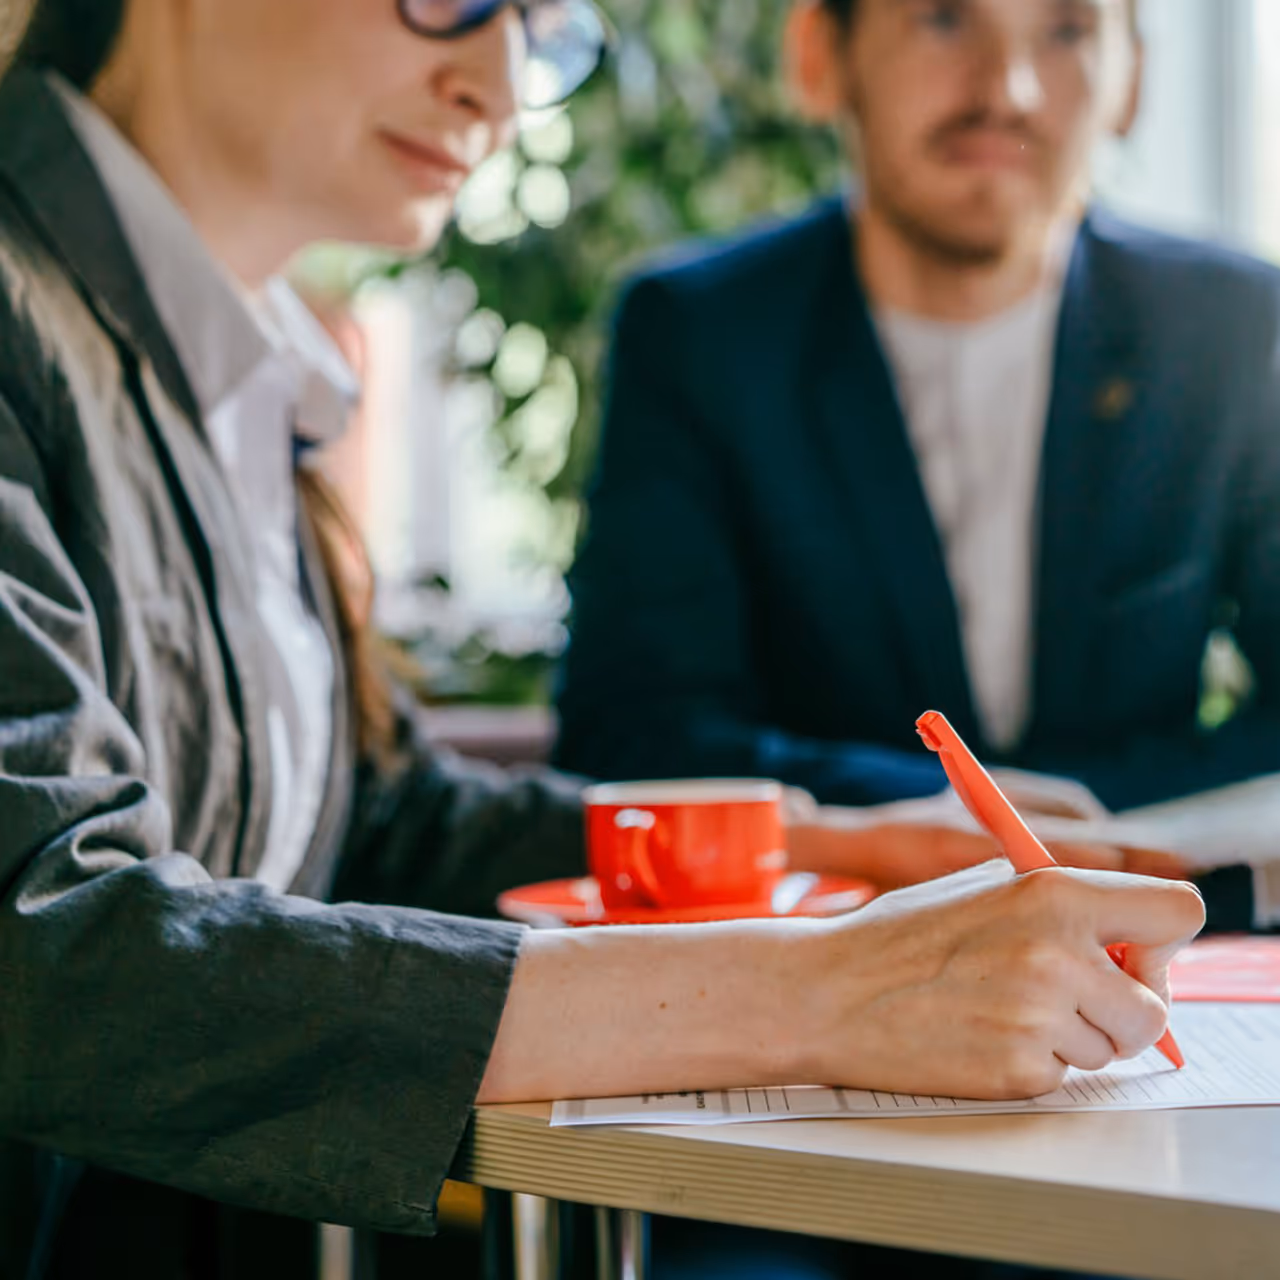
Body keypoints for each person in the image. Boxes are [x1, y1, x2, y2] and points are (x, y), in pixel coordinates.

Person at [0, 1, 1203, 1277]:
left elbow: (380, 824)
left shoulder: (228, 367)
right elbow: (46, 949)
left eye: (539, 23)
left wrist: (815, 840)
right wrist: (822, 989)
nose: (500, 89)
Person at [554, 0, 1280, 931]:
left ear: (1131, 76)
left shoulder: (1226, 326)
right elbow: (635, 730)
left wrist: (1080, 820)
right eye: (944, 20)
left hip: (1160, 943)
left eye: (1066, 32)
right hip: (814, 951)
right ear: (821, 57)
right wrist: (935, 818)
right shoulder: (700, 336)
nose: (1006, 91)